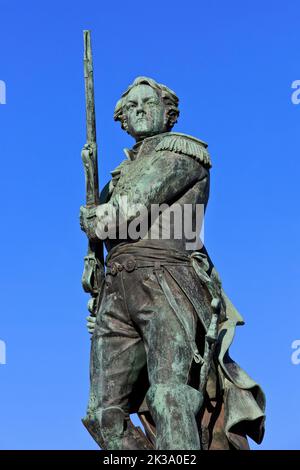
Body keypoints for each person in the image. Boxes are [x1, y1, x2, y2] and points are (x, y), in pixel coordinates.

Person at [80, 76, 265, 450]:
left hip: (166, 281)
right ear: (123, 121)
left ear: (169, 113)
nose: (140, 111)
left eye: (148, 103)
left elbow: (124, 213)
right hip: (117, 289)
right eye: (131, 108)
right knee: (102, 414)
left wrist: (93, 217)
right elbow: (102, 230)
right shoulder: (117, 177)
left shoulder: (181, 154)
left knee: (169, 396)